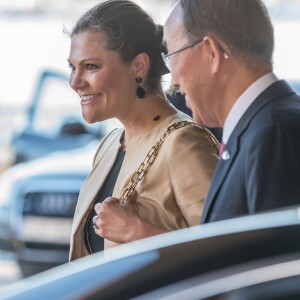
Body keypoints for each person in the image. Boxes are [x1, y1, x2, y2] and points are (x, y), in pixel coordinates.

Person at [68, 0, 219, 260]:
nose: (75, 82)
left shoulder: (183, 142)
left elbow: (227, 254)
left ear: (139, 66)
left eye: (91, 66)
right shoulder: (111, 144)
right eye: (72, 67)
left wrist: (138, 231)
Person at [163, 0, 300, 224]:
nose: (173, 81)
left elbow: (275, 256)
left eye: (171, 55)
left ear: (211, 53)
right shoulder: (260, 128)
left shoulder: (273, 133)